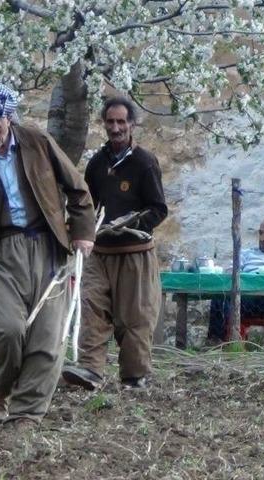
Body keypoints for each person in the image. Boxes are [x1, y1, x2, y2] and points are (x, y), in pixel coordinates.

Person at [0, 81, 96, 427]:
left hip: (46, 247)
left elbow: (77, 188)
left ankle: (27, 413)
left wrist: (83, 233)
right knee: (9, 329)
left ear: (9, 119)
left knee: (47, 338)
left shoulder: (37, 141)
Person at [61, 97, 167, 391]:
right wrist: (82, 230)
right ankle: (90, 370)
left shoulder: (145, 163)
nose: (116, 128)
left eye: (122, 122)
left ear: (132, 124)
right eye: (110, 122)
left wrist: (131, 223)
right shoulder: (97, 164)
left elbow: (158, 209)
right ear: (104, 124)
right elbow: (86, 205)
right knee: (92, 309)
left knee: (135, 318)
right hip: (101, 253)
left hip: (134, 254)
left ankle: (134, 377)